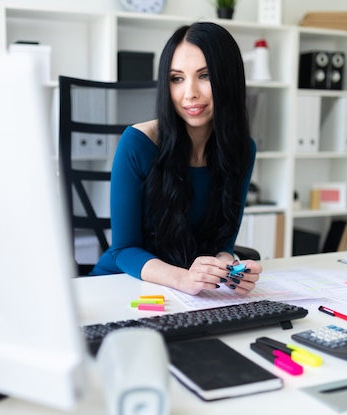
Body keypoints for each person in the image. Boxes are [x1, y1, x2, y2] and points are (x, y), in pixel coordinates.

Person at [90, 22, 262, 295]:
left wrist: (229, 268)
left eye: (204, 75)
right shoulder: (138, 143)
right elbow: (123, 250)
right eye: (177, 78)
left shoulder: (242, 150)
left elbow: (224, 243)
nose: (190, 93)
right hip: (121, 286)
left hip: (188, 296)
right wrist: (183, 279)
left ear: (227, 78)